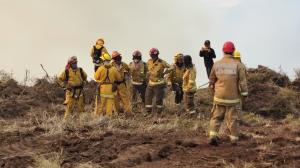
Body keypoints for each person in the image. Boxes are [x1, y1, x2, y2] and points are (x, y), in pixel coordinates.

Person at [208, 41, 248, 146]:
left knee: (216, 117)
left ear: (223, 51)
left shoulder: (216, 64)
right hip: (233, 98)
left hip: (219, 96)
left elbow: (211, 81)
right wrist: (244, 95)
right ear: (233, 51)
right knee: (232, 119)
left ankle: (213, 136)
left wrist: (214, 94)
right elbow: (243, 82)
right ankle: (234, 139)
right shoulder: (239, 65)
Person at [145, 48, 172, 116]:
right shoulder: (149, 61)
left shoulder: (162, 62)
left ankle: (159, 113)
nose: (153, 56)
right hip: (150, 83)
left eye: (154, 55)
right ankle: (148, 112)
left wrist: (167, 71)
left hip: (159, 84)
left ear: (157, 55)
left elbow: (171, 67)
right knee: (147, 97)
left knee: (158, 99)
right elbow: (146, 69)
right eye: (151, 55)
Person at [94, 53, 122, 118]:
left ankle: (97, 118)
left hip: (102, 88)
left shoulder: (100, 68)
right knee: (109, 105)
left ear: (103, 60)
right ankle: (109, 118)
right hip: (111, 89)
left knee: (101, 104)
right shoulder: (114, 69)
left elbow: (96, 77)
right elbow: (119, 78)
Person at [111, 51, 132, 115]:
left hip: (122, 84)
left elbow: (129, 70)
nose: (118, 59)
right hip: (114, 84)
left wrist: (127, 74)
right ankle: (117, 113)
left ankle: (128, 113)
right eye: (116, 58)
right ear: (114, 59)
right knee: (115, 99)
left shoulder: (124, 64)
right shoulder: (111, 65)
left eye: (119, 57)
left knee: (125, 99)